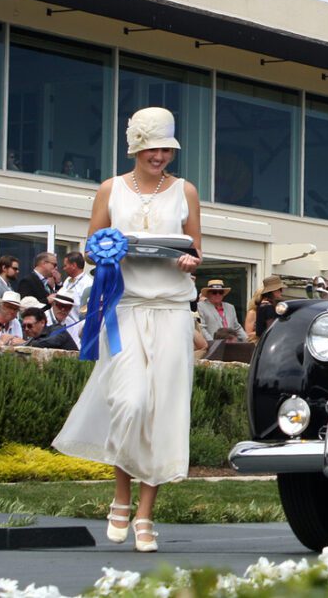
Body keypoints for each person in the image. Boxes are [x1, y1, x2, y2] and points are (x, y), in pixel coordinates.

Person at [54, 106, 201, 554]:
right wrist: (109, 253)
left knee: (162, 411)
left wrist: (189, 260)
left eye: (166, 149)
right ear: (137, 146)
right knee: (128, 401)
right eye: (153, 148)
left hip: (172, 311)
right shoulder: (110, 189)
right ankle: (120, 495)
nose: (160, 156)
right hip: (125, 309)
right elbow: (92, 248)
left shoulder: (185, 191)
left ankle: (144, 514)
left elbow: (197, 248)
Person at [245, 275, 284, 342]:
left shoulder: (263, 306)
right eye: (279, 289)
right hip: (266, 343)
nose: (281, 291)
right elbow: (271, 330)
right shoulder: (268, 307)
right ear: (273, 291)